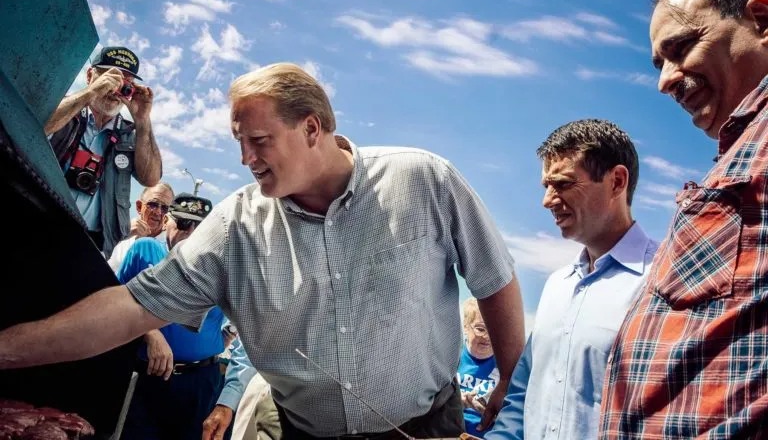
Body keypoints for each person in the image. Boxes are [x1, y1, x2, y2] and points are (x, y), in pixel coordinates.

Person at [0, 63, 525, 438]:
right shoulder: (234, 226)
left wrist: (507, 378)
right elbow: (130, 309)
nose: (246, 157)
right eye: (238, 142)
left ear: (312, 128)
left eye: (259, 140)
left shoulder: (424, 179)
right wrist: (7, 349)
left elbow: (494, 280)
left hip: (428, 426)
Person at [599, 0, 768, 438]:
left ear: (761, 21)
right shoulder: (742, 151)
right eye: (660, 62)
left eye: (682, 48)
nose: (665, 80)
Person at [485, 119, 659, 440]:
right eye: (546, 186)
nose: (547, 200)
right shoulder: (556, 286)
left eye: (562, 184)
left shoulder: (664, 283)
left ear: (617, 182)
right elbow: (524, 393)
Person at [116, 192, 232, 440]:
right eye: (183, 223)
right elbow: (117, 301)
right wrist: (151, 332)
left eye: (199, 226)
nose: (190, 232)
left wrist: (228, 334)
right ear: (167, 220)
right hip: (147, 376)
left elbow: (245, 314)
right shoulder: (143, 250)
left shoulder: (220, 266)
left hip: (200, 382)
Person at [46, 46, 162, 258]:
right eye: (111, 77)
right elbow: (41, 126)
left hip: (90, 244)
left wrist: (143, 120)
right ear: (90, 75)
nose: (115, 89)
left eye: (124, 83)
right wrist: (90, 93)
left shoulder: (129, 134)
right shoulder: (66, 110)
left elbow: (151, 178)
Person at [107, 182, 175, 272]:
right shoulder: (118, 233)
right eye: (153, 204)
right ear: (139, 206)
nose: (158, 212)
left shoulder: (170, 247)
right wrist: (121, 233)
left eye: (164, 208)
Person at [458, 297, 499, 438]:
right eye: (481, 329)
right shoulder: (450, 357)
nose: (487, 337)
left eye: (493, 329)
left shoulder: (506, 365)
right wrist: (455, 401)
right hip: (449, 429)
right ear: (465, 326)